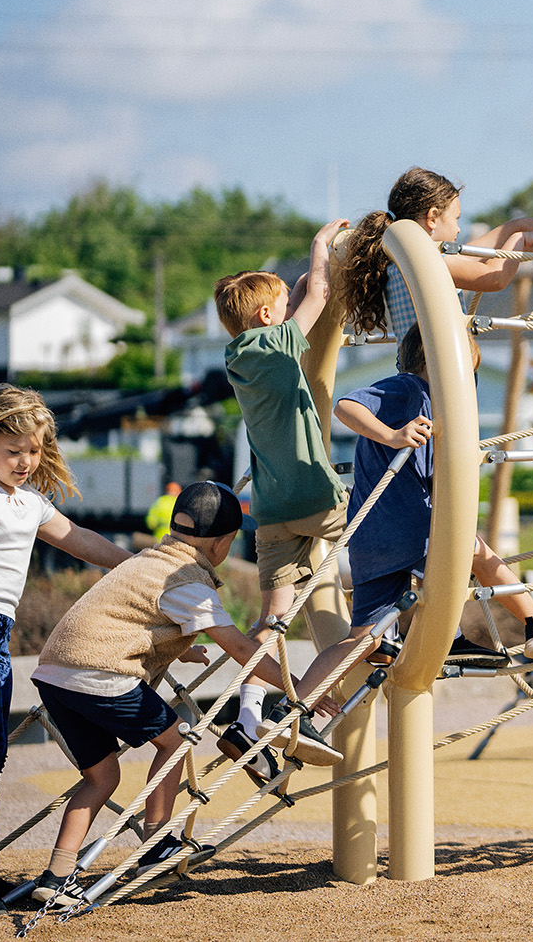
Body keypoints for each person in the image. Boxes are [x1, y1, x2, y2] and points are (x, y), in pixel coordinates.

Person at [27, 481, 336, 908]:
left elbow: (130, 612)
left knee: (101, 778)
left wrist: (181, 646)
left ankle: (57, 875)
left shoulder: (150, 560)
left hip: (55, 673)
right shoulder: (189, 582)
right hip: (100, 671)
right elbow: (243, 649)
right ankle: (156, 842)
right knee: (177, 738)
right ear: (222, 544)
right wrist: (299, 689)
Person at [0, 386, 130, 915]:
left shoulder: (28, 501)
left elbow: (80, 539)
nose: (24, 462)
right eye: (13, 450)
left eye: (34, 451)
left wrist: (135, 564)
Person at [288, 326, 533, 696]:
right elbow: (347, 406)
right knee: (476, 554)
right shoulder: (410, 388)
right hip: (406, 528)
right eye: (466, 373)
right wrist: (393, 435)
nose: (466, 384)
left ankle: (297, 707)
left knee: (363, 638)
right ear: (437, 363)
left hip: (371, 539)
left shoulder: (432, 410)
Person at [212, 218, 351, 774]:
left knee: (272, 620)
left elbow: (293, 309)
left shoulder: (240, 354)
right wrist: (320, 249)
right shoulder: (277, 342)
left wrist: (286, 297)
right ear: (268, 318)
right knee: (381, 566)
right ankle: (378, 634)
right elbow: (316, 294)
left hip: (269, 513)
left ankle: (246, 716)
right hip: (315, 495)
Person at [339, 166, 533, 343]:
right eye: (456, 218)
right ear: (433, 218)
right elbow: (494, 276)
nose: (458, 229)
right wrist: (520, 239)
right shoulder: (429, 263)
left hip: (415, 373)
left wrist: (512, 227)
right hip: (439, 375)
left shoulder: (401, 261)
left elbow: (469, 256)